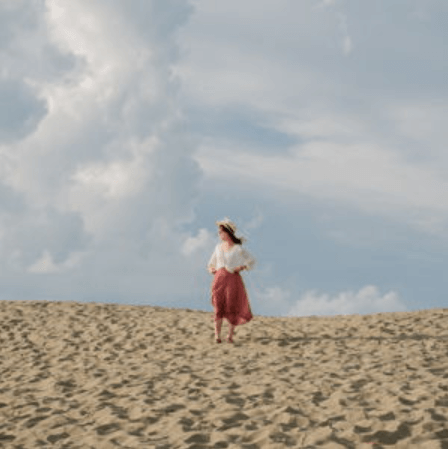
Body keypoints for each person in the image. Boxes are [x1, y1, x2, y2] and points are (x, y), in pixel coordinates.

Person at [207, 217, 256, 344]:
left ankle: (229, 336)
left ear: (227, 233)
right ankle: (217, 335)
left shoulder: (238, 248)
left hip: (233, 280)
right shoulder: (218, 248)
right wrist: (212, 269)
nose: (219, 234)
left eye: (221, 232)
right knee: (218, 306)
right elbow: (210, 263)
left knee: (231, 306)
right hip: (219, 280)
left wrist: (242, 267)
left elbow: (251, 260)